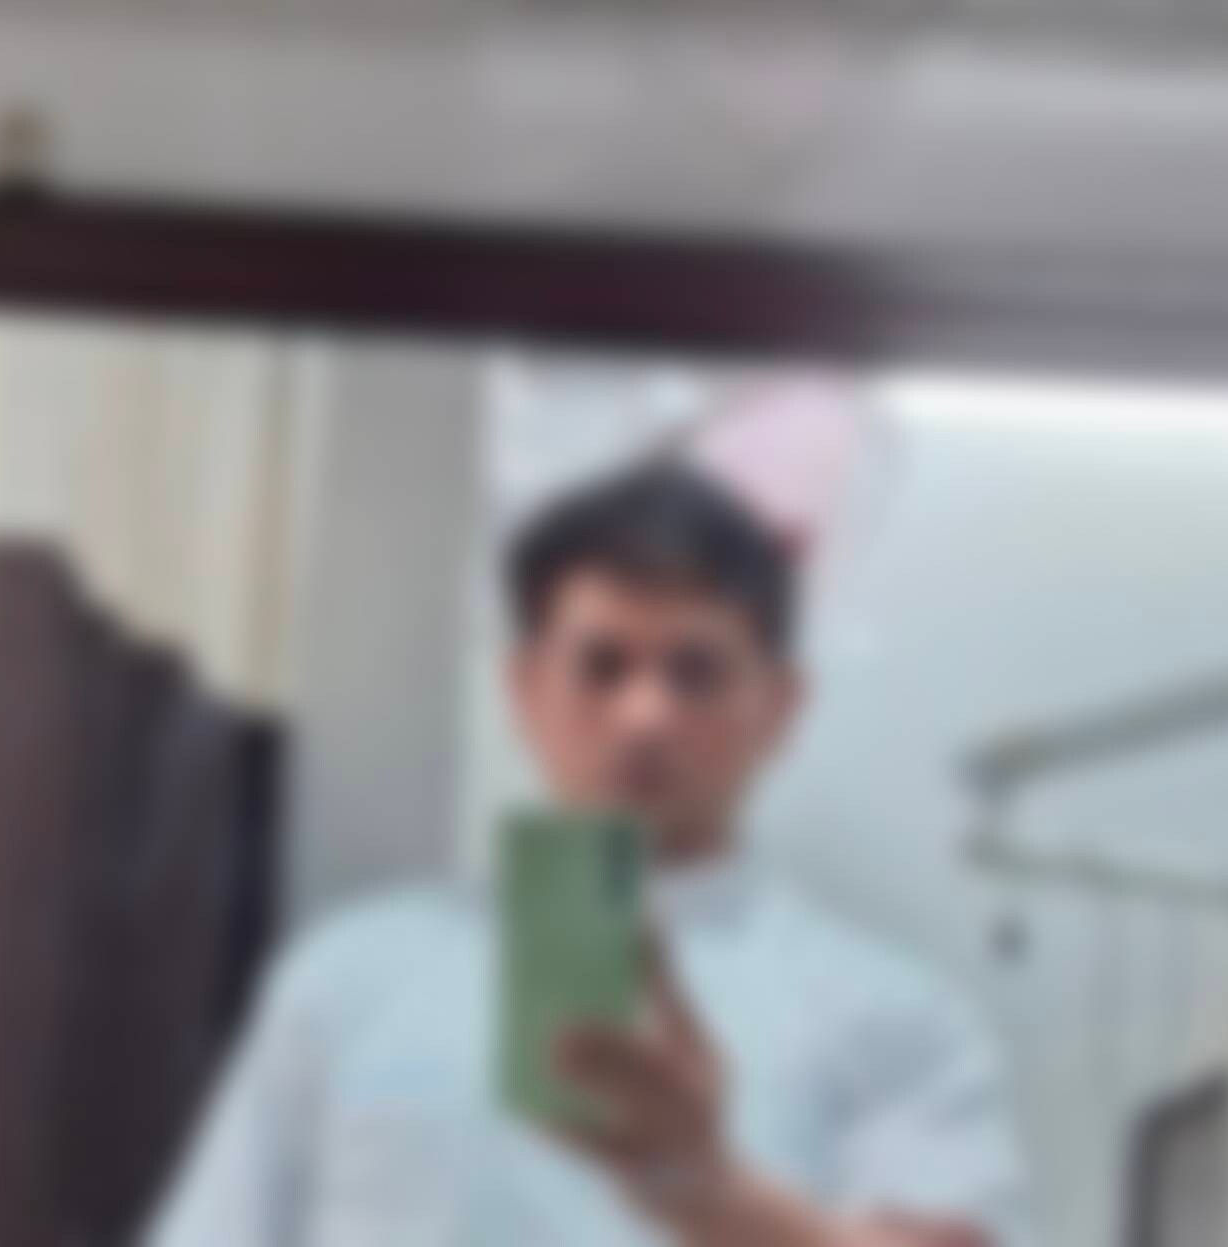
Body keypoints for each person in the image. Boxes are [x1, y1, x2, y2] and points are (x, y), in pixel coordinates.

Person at [150, 463, 1031, 1247]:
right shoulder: (347, 980)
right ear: (525, 688)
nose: (643, 715)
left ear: (780, 704)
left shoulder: (895, 1019)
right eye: (601, 666)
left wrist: (710, 1194)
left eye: (695, 671)